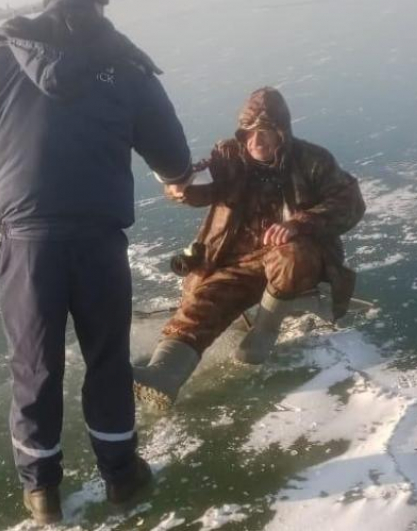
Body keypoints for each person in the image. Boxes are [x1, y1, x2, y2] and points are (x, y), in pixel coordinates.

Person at [0, 0, 193, 523]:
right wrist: (177, 178)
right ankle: (122, 476)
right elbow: (173, 154)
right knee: (106, 358)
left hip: (25, 239)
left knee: (35, 365)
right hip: (98, 239)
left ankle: (42, 492)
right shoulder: (125, 63)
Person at [133, 87, 366, 409]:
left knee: (292, 254)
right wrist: (181, 188)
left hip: (294, 258)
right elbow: (203, 185)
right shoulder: (228, 155)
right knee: (202, 305)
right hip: (235, 260)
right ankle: (164, 376)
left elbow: (349, 202)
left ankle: (264, 333)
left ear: (282, 133)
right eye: (250, 133)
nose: (257, 142)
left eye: (267, 133)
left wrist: (299, 223)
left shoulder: (313, 160)